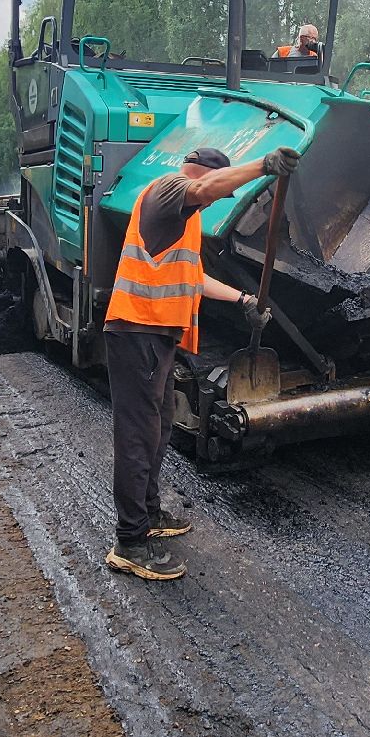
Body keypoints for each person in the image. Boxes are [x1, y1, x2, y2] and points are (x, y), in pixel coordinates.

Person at [103, 144, 300, 581]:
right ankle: (129, 541)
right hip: (137, 331)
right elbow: (204, 188)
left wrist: (243, 299)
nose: (214, 202)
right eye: (217, 193)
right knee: (137, 436)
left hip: (155, 337)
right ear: (201, 175)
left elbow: (192, 276)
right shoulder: (169, 190)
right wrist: (263, 166)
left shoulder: (182, 218)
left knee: (157, 429)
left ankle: (148, 514)